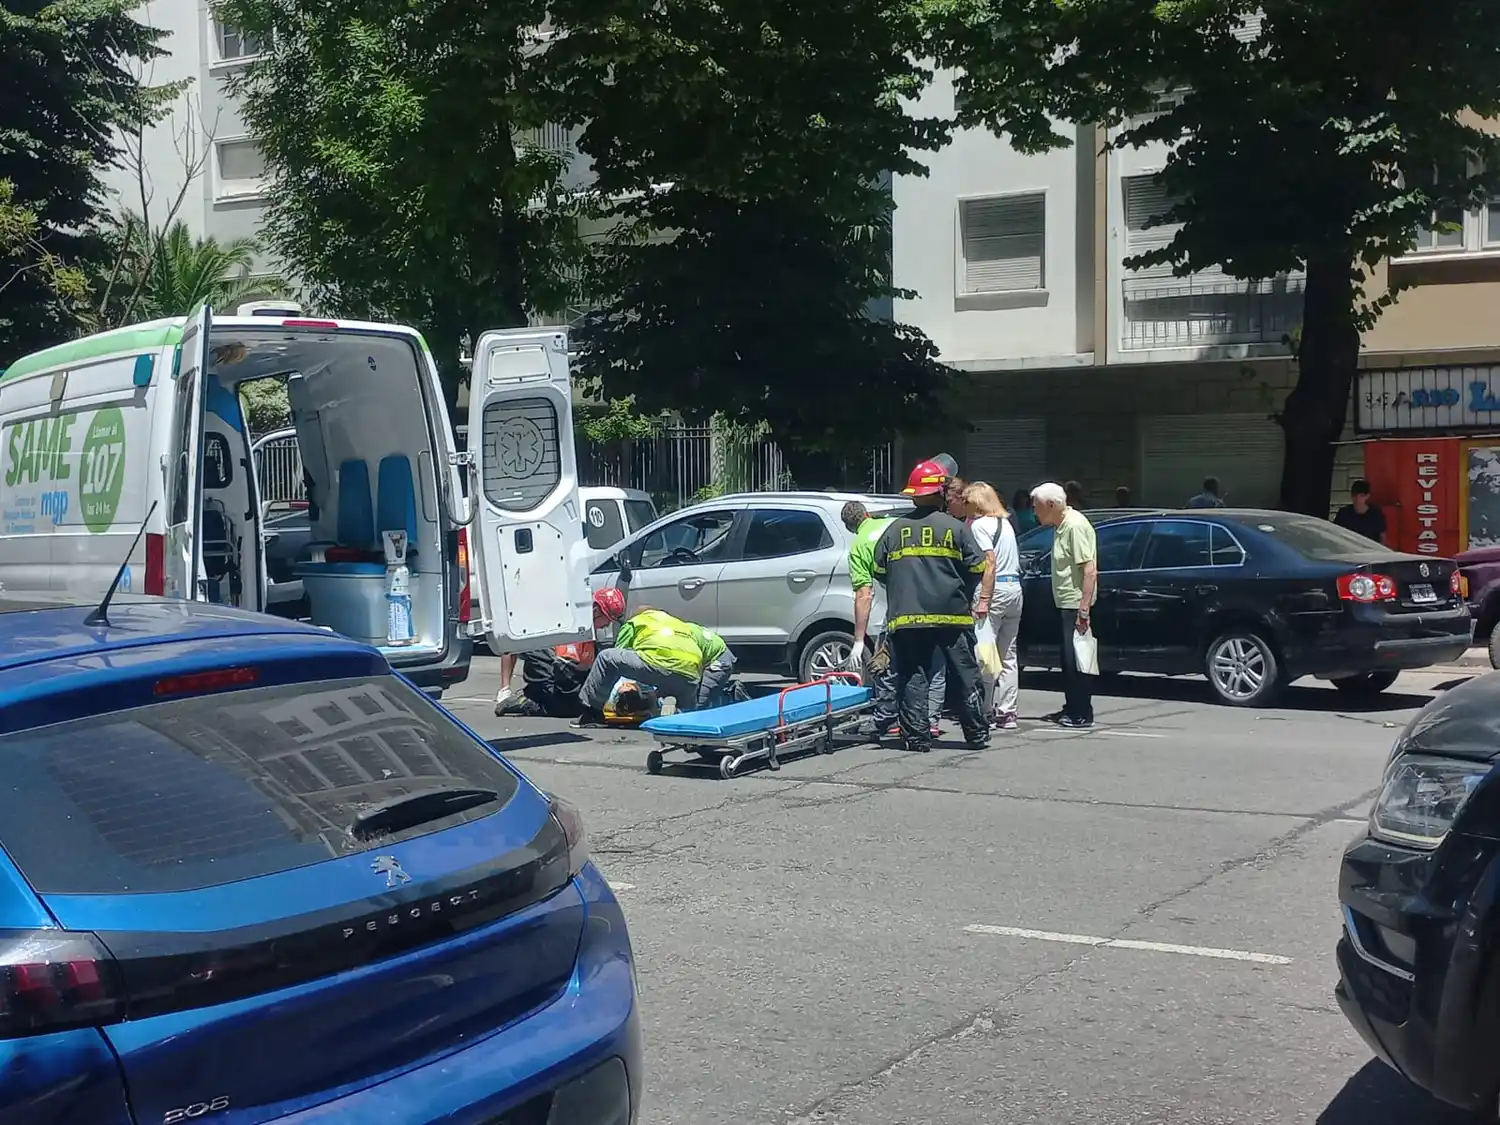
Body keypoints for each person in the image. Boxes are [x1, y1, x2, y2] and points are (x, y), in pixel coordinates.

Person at [871, 459, 989, 752]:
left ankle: (916, 738)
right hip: (952, 617)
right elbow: (977, 568)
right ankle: (975, 734)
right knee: (964, 675)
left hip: (907, 619)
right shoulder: (956, 528)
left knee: (913, 675)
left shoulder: (893, 530)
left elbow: (879, 572)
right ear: (939, 493)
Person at [575, 594, 737, 726]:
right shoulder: (676, 624)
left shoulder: (634, 623)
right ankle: (671, 712)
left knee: (606, 658)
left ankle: (591, 712)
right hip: (691, 672)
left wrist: (621, 691)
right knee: (686, 715)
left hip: (715, 661)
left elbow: (619, 664)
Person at [1032, 482, 1097, 729]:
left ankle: (1081, 712)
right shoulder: (1060, 526)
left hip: (1075, 604)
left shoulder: (1075, 526)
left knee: (1077, 660)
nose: (1034, 511)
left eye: (1036, 506)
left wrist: (1084, 609)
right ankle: (1072, 706)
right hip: (1065, 602)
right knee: (1068, 659)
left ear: (1051, 505)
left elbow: (1089, 570)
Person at [965, 482, 1023, 730]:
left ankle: (986, 709)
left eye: (967, 501)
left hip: (993, 589)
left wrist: (983, 599)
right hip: (1014, 589)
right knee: (1008, 654)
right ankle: (1008, 711)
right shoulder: (1005, 523)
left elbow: (989, 561)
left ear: (976, 502)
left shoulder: (979, 526)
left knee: (986, 653)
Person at [841, 500, 899, 731]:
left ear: (849, 527)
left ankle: (887, 717)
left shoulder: (859, 546)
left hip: (900, 607)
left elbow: (864, 594)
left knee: (882, 661)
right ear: (866, 514)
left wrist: (858, 640)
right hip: (936, 598)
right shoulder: (894, 524)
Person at [1333, 479, 1388, 545]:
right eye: (1355, 496)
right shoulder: (1344, 514)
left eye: (1361, 496)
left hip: (1370, 551)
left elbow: (1382, 537)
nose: (1357, 499)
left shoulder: (1376, 515)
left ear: (1367, 496)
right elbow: (1335, 534)